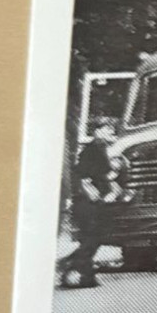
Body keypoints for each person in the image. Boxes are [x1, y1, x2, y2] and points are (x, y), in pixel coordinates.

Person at [58, 118, 121, 288]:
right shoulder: (92, 150)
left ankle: (85, 276)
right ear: (97, 131)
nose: (111, 132)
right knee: (93, 237)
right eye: (107, 129)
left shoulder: (99, 149)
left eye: (112, 130)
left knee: (94, 237)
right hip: (87, 204)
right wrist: (95, 196)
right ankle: (72, 266)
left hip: (91, 203)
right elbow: (83, 176)